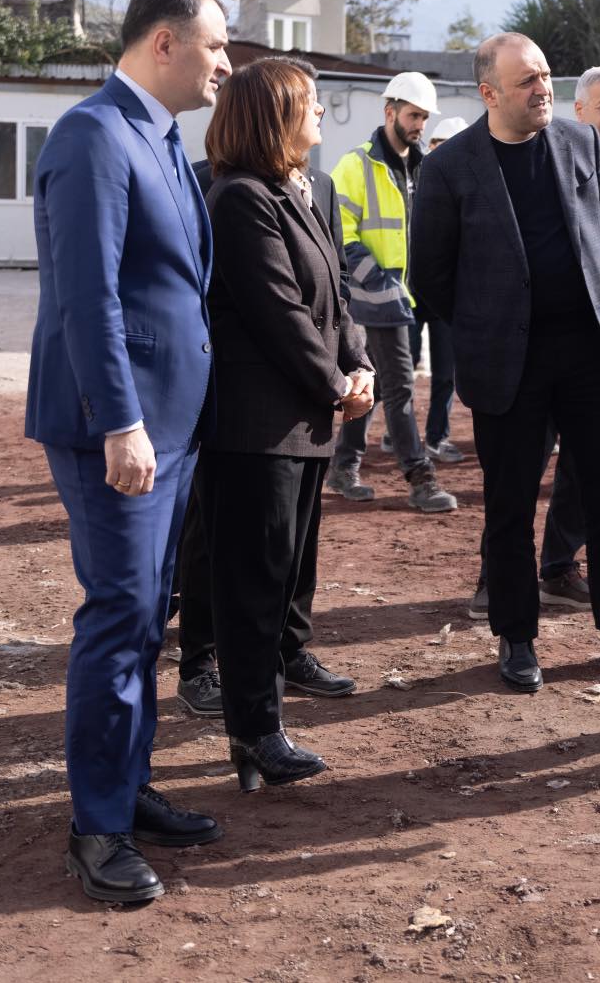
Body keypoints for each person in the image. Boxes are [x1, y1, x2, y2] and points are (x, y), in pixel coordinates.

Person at [26, 0, 227, 904]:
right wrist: (122, 422)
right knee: (119, 616)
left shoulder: (162, 136)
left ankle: (128, 785)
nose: (224, 65)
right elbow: (88, 297)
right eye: (215, 46)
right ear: (164, 44)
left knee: (147, 617)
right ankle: (97, 827)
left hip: (169, 428)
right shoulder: (94, 135)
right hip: (122, 429)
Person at [410, 33, 600, 694]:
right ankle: (517, 635)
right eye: (527, 80)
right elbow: (431, 276)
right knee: (510, 506)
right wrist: (487, 326)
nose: (543, 89)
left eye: (546, 76)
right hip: (509, 363)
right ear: (488, 93)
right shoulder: (449, 168)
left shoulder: (579, 142)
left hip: (588, 353)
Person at [200, 58, 374, 793]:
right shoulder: (241, 197)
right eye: (310, 103)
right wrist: (336, 385)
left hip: (300, 424)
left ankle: (261, 726)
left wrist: (359, 363)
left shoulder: (295, 190)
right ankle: (253, 732)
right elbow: (281, 312)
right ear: (273, 116)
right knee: (254, 584)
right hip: (256, 428)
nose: (322, 114)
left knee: (282, 575)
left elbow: (335, 295)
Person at [472, 67, 600, 619]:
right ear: (576, 111)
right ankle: (495, 582)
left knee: (591, 474)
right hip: (535, 350)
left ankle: (559, 568)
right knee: (519, 472)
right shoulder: (548, 164)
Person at [328, 72, 456, 513]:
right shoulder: (356, 165)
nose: (420, 124)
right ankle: (420, 478)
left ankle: (343, 466)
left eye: (424, 117)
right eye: (413, 115)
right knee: (400, 386)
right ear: (390, 112)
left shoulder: (426, 167)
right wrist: (380, 281)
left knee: (379, 386)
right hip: (377, 299)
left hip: (413, 297)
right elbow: (340, 234)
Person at [419, 115, 470, 462]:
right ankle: (397, 435)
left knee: (444, 374)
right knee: (394, 375)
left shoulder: (468, 184)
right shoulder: (409, 178)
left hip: (445, 293)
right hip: (409, 293)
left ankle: (436, 438)